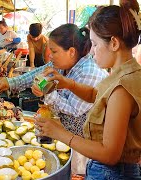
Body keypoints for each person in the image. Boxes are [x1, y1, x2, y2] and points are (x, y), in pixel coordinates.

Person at [34, 1, 141, 179]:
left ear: (114, 43)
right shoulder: (124, 73)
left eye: (95, 44)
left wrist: (59, 133)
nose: (91, 52)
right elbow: (94, 95)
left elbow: (109, 154)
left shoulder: (122, 89)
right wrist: (68, 83)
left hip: (112, 174)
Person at [0, 23, 108, 175]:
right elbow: (39, 73)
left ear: (71, 52)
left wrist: (46, 93)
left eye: (54, 51)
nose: (49, 55)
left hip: (86, 146)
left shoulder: (89, 72)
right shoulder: (63, 64)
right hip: (67, 135)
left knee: (77, 173)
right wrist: (11, 82)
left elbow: (73, 110)